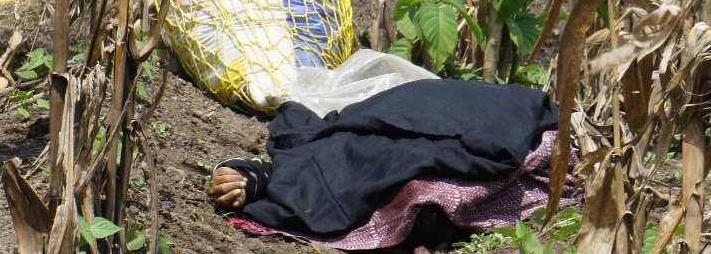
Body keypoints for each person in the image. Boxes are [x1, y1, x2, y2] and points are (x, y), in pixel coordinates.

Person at [206, 79, 579, 248]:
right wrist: (263, 177)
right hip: (430, 109)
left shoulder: (529, 158)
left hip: (485, 115)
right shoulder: (355, 157)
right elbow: (316, 150)